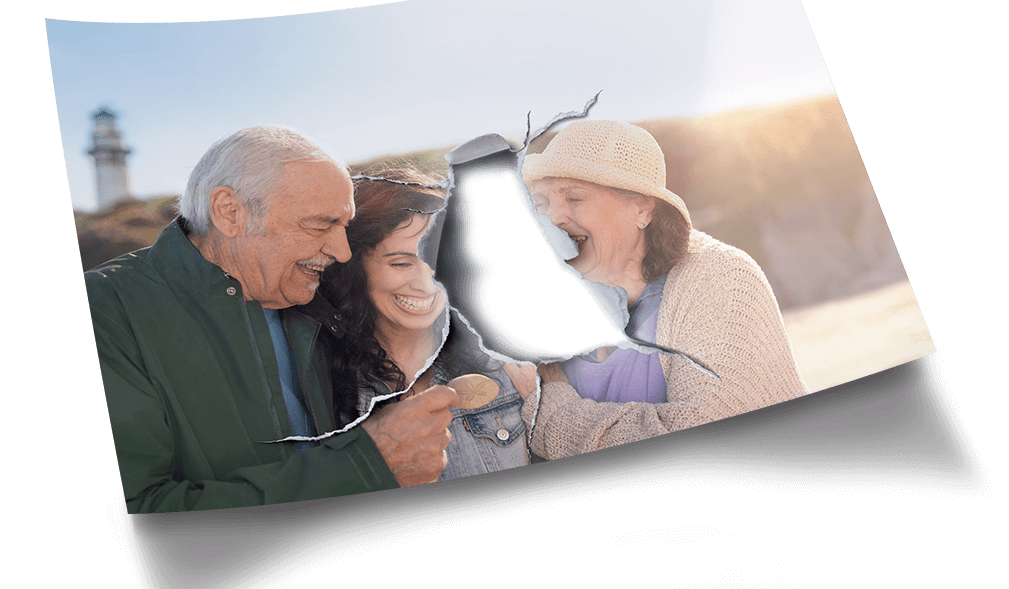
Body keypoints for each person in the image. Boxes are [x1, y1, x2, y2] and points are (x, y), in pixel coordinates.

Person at [85, 126, 460, 512]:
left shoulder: (309, 292)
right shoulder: (105, 310)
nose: (342, 251)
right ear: (230, 212)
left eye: (344, 226)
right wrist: (366, 469)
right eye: (320, 224)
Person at [516, 119, 809, 459]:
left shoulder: (722, 278)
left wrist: (549, 408)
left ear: (642, 207)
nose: (553, 218)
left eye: (575, 198)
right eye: (541, 201)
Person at [319, 167, 529, 479]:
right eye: (401, 263)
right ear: (355, 267)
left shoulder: (504, 358)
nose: (425, 282)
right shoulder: (326, 389)